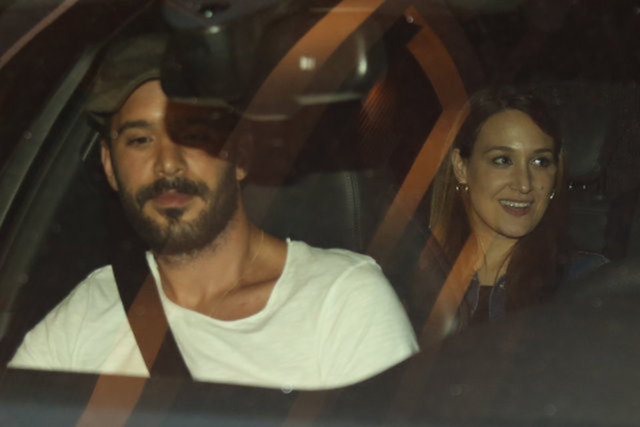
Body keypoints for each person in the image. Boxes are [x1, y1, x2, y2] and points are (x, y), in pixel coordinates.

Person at [8, 34, 418, 390]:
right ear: (110, 166)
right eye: (140, 140)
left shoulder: (341, 304)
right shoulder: (85, 316)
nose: (167, 164)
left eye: (193, 134)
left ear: (240, 154)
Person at [407, 87, 607, 337]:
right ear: (461, 167)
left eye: (540, 162)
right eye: (503, 160)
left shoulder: (587, 282)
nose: (524, 184)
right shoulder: (408, 276)